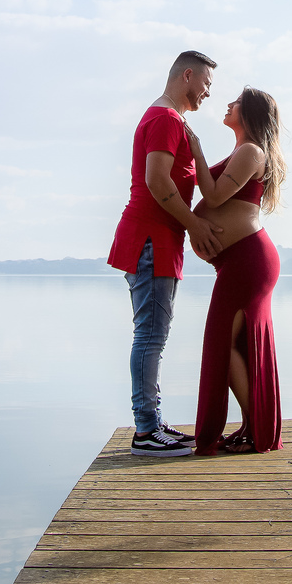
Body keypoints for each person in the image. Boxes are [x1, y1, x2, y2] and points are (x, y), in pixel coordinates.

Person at [108, 52, 222, 456]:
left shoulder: (172, 120)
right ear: (186, 75)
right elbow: (157, 182)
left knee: (153, 336)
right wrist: (195, 224)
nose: (209, 92)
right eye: (206, 83)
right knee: (150, 337)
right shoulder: (164, 119)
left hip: (158, 242)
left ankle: (152, 423)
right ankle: (145, 432)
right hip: (151, 240)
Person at [185, 87, 286, 455]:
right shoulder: (244, 151)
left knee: (223, 345)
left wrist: (196, 150)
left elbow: (213, 197)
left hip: (248, 260)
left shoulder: (250, 151)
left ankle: (255, 429)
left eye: (237, 102)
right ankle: (252, 426)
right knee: (231, 345)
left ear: (251, 113)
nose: (228, 105)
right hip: (239, 261)